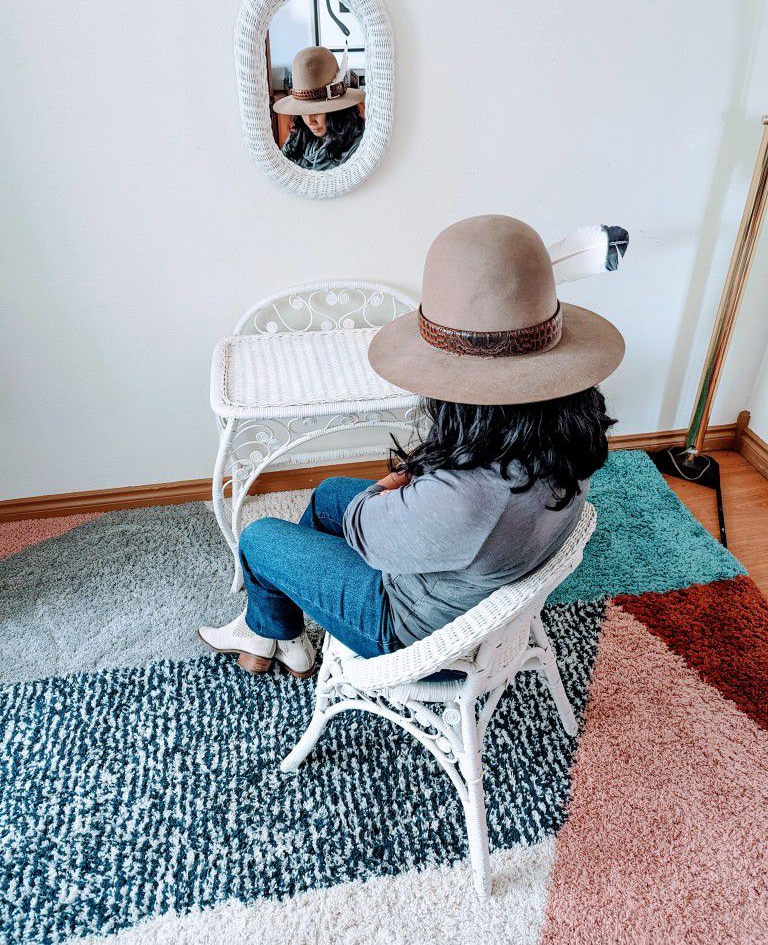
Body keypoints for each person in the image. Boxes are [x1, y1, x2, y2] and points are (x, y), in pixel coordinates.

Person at [198, 215, 625, 678]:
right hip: (479, 580)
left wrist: (397, 479)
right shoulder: (567, 439)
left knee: (260, 537)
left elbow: (364, 523)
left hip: (412, 634)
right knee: (325, 496)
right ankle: (273, 629)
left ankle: (271, 631)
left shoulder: (464, 496)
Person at [272, 46, 365, 172]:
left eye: (316, 111)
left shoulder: (361, 147)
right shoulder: (299, 136)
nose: (310, 121)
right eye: (304, 112)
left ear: (337, 110)